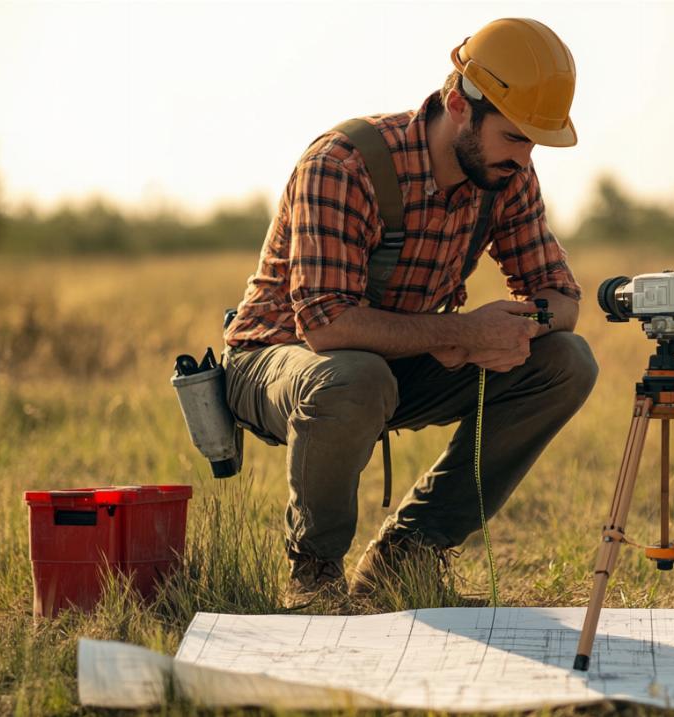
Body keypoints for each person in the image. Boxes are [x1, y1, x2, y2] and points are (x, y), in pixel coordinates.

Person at [222, 18, 598, 606]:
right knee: (354, 376)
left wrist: (516, 329)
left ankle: (406, 558)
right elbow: (327, 325)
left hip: (399, 361)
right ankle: (314, 577)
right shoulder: (344, 163)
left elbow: (561, 298)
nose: (524, 158)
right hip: (278, 359)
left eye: (533, 143)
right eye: (514, 137)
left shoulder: (506, 175)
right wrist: (463, 333)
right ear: (459, 105)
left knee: (566, 361)